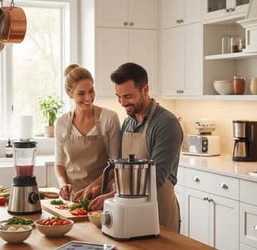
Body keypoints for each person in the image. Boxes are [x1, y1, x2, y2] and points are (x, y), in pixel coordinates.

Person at [77, 62, 183, 233]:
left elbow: (154, 177)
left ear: (145, 90)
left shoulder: (166, 124)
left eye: (127, 96)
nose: (122, 103)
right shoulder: (129, 121)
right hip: (128, 213)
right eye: (118, 97)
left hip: (158, 216)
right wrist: (95, 186)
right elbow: (118, 166)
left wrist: (112, 197)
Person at [54, 64, 121, 201]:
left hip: (101, 197)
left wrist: (91, 188)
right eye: (81, 93)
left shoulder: (109, 119)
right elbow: (60, 163)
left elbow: (116, 165)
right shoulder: (62, 123)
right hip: (73, 199)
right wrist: (63, 185)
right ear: (69, 93)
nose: (88, 97)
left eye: (91, 91)